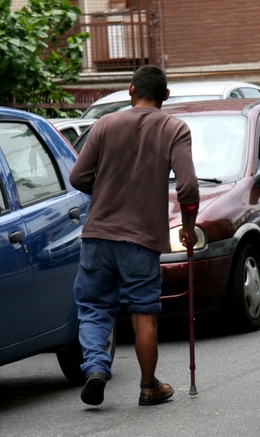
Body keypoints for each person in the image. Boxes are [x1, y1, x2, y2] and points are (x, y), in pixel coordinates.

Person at [69, 64, 200, 406]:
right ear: (165, 96)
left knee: (95, 308)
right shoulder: (174, 128)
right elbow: (187, 186)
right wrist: (188, 228)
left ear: (131, 89)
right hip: (141, 241)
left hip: (97, 236)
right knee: (144, 313)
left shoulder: (105, 125)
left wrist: (105, 188)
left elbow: (77, 177)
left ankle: (96, 368)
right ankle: (147, 386)